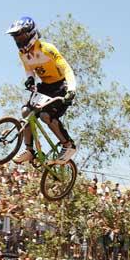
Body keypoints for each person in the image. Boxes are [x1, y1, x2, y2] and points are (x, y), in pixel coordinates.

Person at [6, 16, 77, 164]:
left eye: (21, 35)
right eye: (16, 37)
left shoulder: (47, 48)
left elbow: (67, 69)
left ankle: (68, 145)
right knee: (26, 112)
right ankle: (30, 151)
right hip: (44, 87)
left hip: (61, 87)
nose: (18, 40)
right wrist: (30, 78)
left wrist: (71, 89)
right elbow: (29, 69)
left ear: (31, 33)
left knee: (46, 115)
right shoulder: (23, 54)